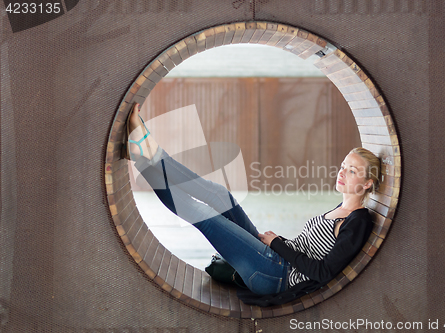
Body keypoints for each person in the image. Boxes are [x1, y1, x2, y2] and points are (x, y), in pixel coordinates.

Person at [125, 103, 378, 306]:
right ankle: (150, 154)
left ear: (368, 184)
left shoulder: (358, 221)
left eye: (353, 170)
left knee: (205, 216)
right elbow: (311, 249)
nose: (342, 172)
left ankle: (146, 158)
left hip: (277, 276)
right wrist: (279, 245)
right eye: (344, 166)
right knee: (220, 196)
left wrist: (278, 244)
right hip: (275, 258)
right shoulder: (340, 208)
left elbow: (323, 272)